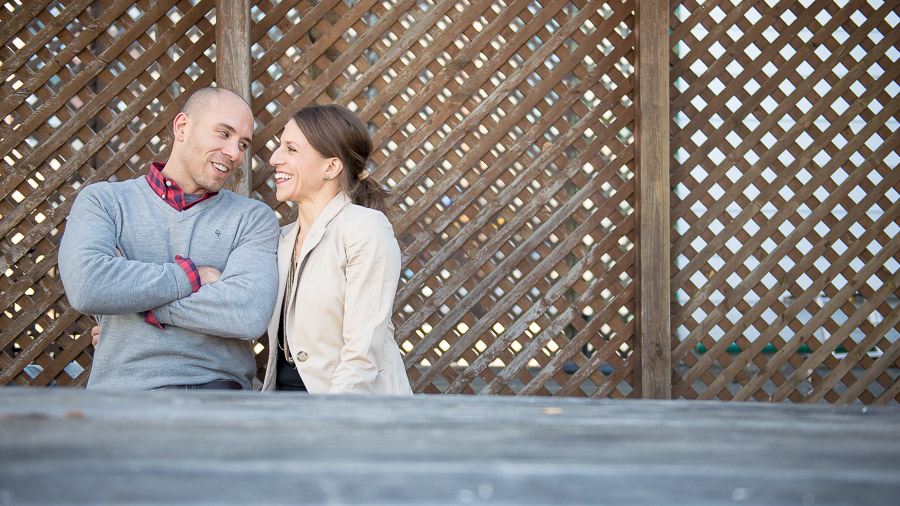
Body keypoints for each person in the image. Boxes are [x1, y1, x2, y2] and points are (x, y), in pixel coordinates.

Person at [58, 87, 280, 390]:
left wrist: (133, 301)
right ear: (182, 127)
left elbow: (247, 315)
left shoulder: (252, 218)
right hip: (124, 396)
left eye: (243, 143)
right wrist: (193, 276)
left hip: (217, 395)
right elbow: (87, 286)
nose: (234, 153)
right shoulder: (105, 202)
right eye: (223, 133)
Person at [261, 104, 412, 395]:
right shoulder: (280, 240)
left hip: (348, 414)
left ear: (331, 167)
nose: (274, 158)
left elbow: (362, 352)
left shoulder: (365, 229)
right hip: (283, 412)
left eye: (291, 149)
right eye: (280, 147)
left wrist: (333, 421)